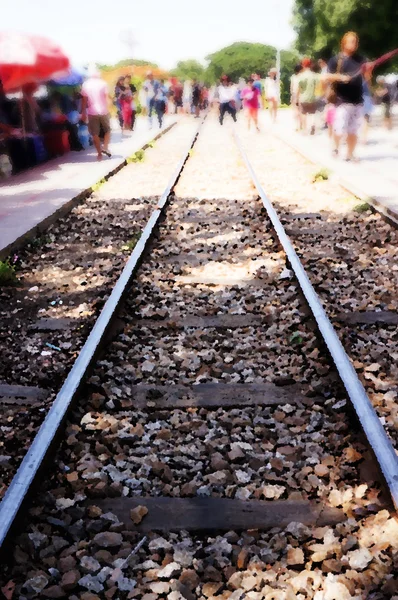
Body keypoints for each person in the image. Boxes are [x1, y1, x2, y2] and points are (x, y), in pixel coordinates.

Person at [326, 31, 369, 161]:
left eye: (355, 42)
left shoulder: (361, 60)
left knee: (353, 130)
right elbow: (326, 76)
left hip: (357, 100)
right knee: (339, 128)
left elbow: (367, 78)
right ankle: (336, 146)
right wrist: (341, 77)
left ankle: (350, 154)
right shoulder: (336, 60)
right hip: (341, 100)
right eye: (351, 41)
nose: (353, 44)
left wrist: (369, 71)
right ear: (344, 43)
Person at [81, 65, 111, 160]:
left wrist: (83, 113)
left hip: (91, 112)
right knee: (107, 131)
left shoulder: (85, 84)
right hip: (103, 111)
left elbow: (84, 101)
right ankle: (105, 147)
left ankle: (99, 153)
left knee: (95, 134)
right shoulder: (103, 83)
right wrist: (110, 108)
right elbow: (107, 98)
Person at [297, 57, 320, 135]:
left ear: (303, 65)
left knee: (303, 113)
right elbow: (318, 86)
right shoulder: (314, 75)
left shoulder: (301, 76)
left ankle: (305, 130)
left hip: (303, 97)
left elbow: (299, 88)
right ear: (310, 65)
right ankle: (312, 125)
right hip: (313, 97)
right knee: (312, 112)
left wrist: (297, 98)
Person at [290, 64, 302, 131]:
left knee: (295, 110)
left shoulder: (293, 77)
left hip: (295, 94)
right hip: (301, 94)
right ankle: (301, 125)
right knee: (301, 110)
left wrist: (291, 95)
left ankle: (297, 125)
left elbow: (291, 87)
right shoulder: (302, 77)